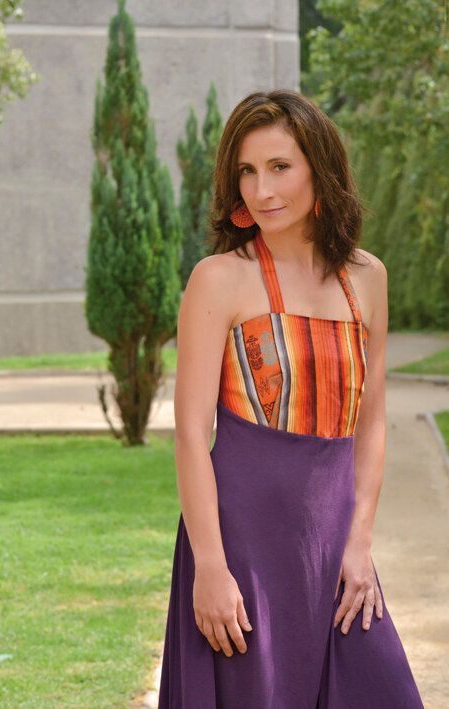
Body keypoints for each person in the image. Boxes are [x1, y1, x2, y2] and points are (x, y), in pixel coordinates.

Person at [157, 90, 424, 708]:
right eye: (247, 171)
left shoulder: (367, 278)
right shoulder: (219, 278)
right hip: (241, 543)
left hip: (334, 537)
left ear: (319, 169)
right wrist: (210, 566)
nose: (261, 190)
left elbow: (371, 421)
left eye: (280, 167)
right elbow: (192, 433)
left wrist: (360, 541)